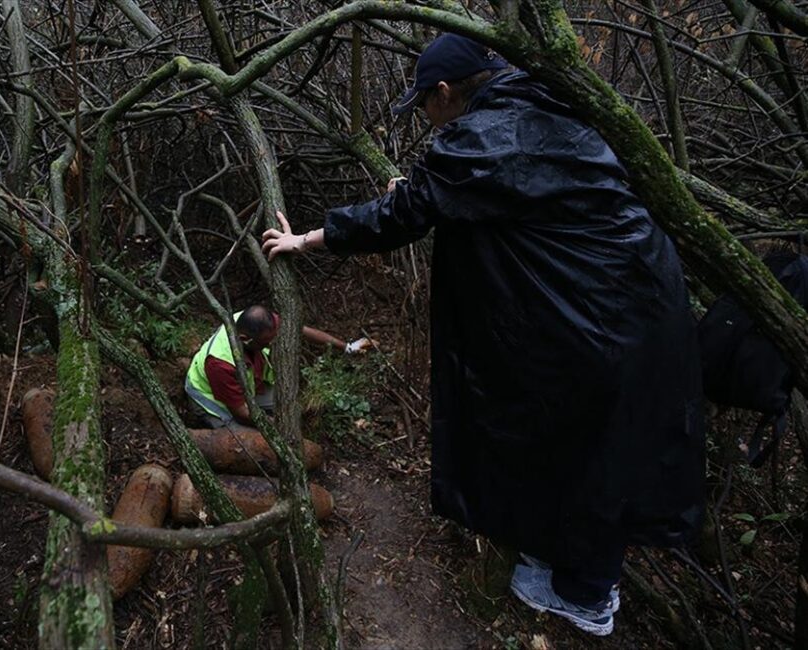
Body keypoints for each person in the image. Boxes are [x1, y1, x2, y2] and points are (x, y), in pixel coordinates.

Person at [261, 33, 704, 636]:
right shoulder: (547, 100)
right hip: (635, 297)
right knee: (592, 441)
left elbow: (403, 215)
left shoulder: (482, 138)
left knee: (590, 446)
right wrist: (428, 194)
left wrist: (306, 240)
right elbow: (499, 200)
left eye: (425, 105)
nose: (426, 118)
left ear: (446, 93)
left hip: (604, 320)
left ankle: (586, 596)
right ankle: (571, 568)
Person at [185, 305, 369, 428]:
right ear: (244, 340)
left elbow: (300, 330)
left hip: (249, 385)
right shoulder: (220, 363)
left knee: (291, 406)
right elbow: (241, 412)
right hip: (213, 401)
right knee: (253, 445)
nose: (272, 343)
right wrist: (279, 425)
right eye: (266, 342)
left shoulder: (258, 322)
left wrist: (347, 347)